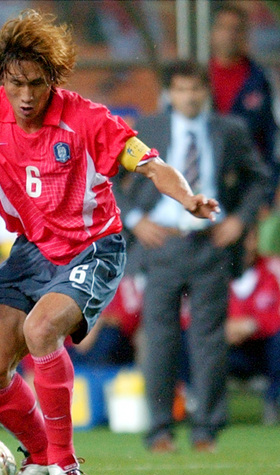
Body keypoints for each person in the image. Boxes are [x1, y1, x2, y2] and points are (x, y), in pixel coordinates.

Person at [0, 10, 219, 475]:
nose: (25, 96)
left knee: (41, 330)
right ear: (2, 76)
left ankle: (66, 465)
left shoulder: (87, 119)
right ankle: (41, 454)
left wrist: (188, 198)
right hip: (32, 250)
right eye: (16, 83)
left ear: (55, 79)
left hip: (94, 247)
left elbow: (150, 165)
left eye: (37, 84)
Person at [117, 60, 270, 453]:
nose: (189, 96)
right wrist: (135, 219)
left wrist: (239, 220)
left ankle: (207, 430)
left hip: (210, 244)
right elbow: (107, 177)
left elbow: (259, 178)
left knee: (209, 341)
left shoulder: (230, 130)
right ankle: (160, 430)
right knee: (160, 340)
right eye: (182, 89)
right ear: (170, 93)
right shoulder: (148, 130)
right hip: (161, 244)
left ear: (206, 92)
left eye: (196, 89)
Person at [209, 3, 278, 199]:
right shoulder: (198, 77)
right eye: (223, 27)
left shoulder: (259, 79)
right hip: (204, 182)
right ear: (213, 32)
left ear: (245, 34)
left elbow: (269, 136)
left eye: (236, 29)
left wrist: (268, 192)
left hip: (246, 182)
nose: (230, 34)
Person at [226, 229, 280, 426]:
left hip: (262, 349)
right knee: (198, 341)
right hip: (230, 349)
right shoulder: (217, 271)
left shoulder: (270, 272)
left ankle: (273, 401)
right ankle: (201, 404)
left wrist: (253, 324)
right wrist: (225, 328)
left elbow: (275, 314)